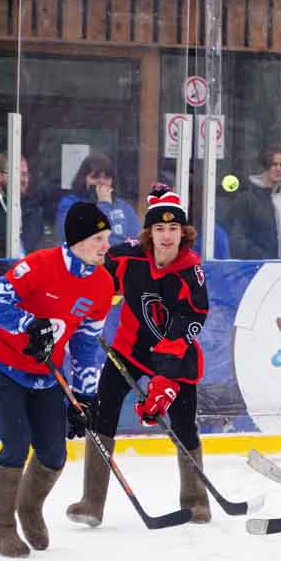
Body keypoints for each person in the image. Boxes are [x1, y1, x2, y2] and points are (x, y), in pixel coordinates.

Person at [0, 201, 114, 558]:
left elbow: (84, 343)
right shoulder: (39, 265)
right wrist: (27, 324)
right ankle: (1, 527)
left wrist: (85, 395)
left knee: (53, 452)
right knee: (16, 444)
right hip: (5, 365)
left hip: (46, 374)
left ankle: (29, 507)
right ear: (77, 240)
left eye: (107, 237)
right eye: (98, 238)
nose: (105, 245)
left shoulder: (101, 284)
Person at [66, 188, 212, 528]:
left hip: (175, 356)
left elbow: (190, 322)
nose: (166, 236)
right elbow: (92, 270)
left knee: (184, 423)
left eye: (173, 229)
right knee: (102, 413)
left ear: (184, 233)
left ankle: (196, 501)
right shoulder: (128, 257)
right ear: (149, 233)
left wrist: (165, 378)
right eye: (159, 229)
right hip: (129, 348)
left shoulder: (191, 273)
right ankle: (91, 501)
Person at [220, 148, 281, 259]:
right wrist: (263, 258)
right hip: (257, 269)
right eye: (274, 164)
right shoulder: (247, 199)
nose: (279, 168)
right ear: (264, 167)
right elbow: (237, 239)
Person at [56, 154, 141, 247]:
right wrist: (104, 205)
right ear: (83, 179)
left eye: (106, 177)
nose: (102, 182)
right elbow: (79, 236)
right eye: (95, 177)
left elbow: (137, 239)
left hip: (119, 259)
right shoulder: (70, 204)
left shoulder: (124, 207)